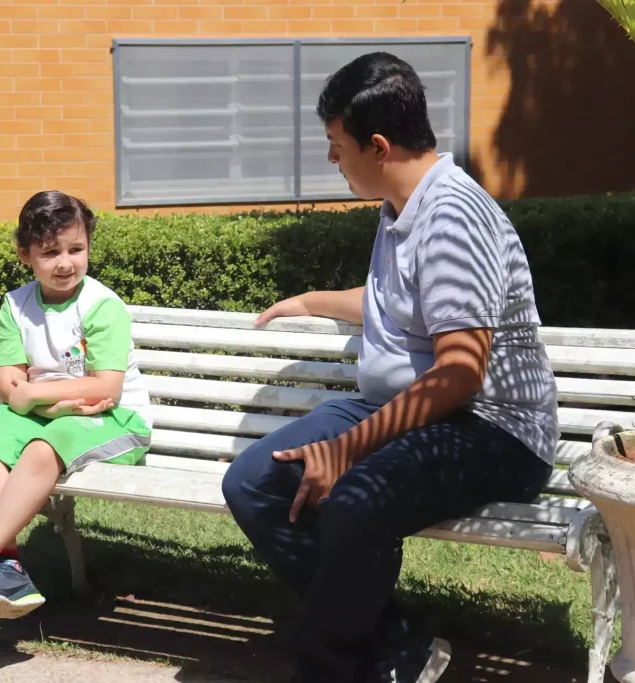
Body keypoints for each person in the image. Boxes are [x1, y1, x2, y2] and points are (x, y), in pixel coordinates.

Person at [221, 53, 558, 683]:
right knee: (252, 482)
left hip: (491, 431)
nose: (332, 161)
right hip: (403, 414)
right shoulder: (402, 205)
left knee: (355, 497)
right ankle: (396, 641)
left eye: (335, 145)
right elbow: (400, 304)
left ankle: (328, 666)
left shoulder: (454, 217)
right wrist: (311, 302)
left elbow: (460, 372)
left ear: (377, 146)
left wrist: (348, 447)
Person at [0, 190, 153, 626]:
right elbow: (10, 382)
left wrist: (37, 398)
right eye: (50, 252)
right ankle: (8, 571)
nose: (65, 262)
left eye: (76, 249)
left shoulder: (103, 306)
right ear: (25, 254)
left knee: (44, 448)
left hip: (114, 419)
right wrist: (48, 404)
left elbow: (106, 387)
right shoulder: (16, 304)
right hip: (51, 415)